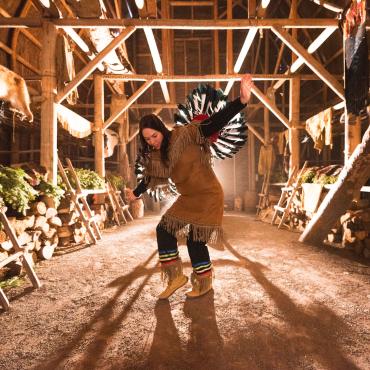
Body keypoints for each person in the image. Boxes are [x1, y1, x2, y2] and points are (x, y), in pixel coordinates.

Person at [126, 74, 254, 299]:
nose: (152, 141)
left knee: (196, 241)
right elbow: (149, 178)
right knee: (164, 230)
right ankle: (176, 277)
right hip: (187, 198)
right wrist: (135, 193)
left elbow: (214, 122)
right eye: (147, 140)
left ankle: (204, 284)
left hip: (208, 195)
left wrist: (241, 101)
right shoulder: (158, 157)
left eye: (154, 136)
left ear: (161, 130)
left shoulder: (185, 134)